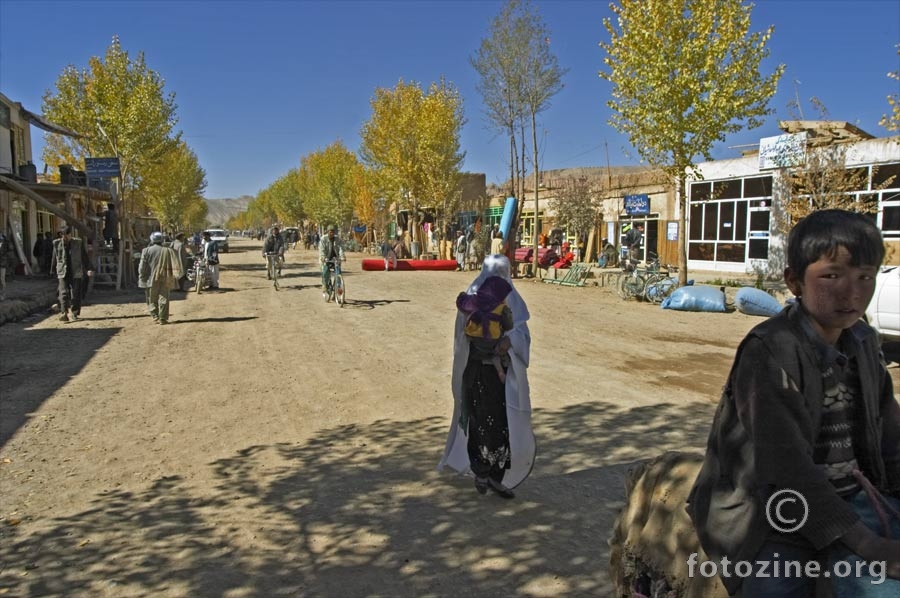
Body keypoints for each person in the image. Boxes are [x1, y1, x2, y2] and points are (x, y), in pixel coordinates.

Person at [687, 209, 900, 597]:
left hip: (855, 496)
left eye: (864, 277)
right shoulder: (769, 350)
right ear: (794, 281)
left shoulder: (866, 343)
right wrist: (869, 545)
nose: (852, 292)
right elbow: (785, 468)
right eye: (832, 275)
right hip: (773, 511)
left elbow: (890, 437)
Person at [438, 254, 535, 500]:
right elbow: (461, 338)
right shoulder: (476, 296)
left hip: (502, 378)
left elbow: (520, 335)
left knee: (503, 425)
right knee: (478, 422)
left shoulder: (506, 300)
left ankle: (496, 476)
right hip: (478, 371)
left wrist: (508, 342)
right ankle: (481, 471)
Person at [457, 275, 514, 384]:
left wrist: (462, 295)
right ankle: (500, 371)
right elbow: (509, 325)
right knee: (497, 352)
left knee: (478, 350)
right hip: (493, 342)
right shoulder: (502, 308)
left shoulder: (475, 301)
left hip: (476, 342)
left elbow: (462, 303)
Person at [138, 231, 183, 324]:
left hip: (150, 278)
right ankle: (163, 318)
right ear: (162, 240)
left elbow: (142, 266)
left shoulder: (146, 251)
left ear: (151, 239)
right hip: (165, 277)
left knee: (151, 297)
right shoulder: (167, 250)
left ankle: (155, 315)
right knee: (164, 297)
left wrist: (141, 277)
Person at [50, 226, 92, 322]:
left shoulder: (78, 242)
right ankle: (64, 313)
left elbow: (84, 256)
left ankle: (75, 312)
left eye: (66, 236)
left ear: (70, 234)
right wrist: (52, 270)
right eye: (63, 236)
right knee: (63, 293)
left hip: (75, 271)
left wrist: (89, 268)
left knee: (75, 293)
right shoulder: (56, 243)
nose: (65, 238)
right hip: (62, 271)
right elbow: (54, 257)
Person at [318, 224, 345, 300]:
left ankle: (338, 291)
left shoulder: (338, 239)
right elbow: (321, 250)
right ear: (327, 232)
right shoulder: (323, 239)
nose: (332, 233)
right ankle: (326, 286)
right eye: (330, 232)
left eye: (333, 232)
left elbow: (340, 248)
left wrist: (342, 256)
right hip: (326, 259)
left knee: (338, 273)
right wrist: (323, 257)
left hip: (335, 259)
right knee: (325, 272)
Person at [0, 231, 18, 300]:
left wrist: (9, 264)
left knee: (1, 280)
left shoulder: (5, 242)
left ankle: (2, 295)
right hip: (3, 263)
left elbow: (10, 253)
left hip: (2, 264)